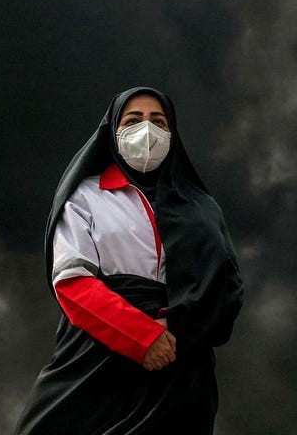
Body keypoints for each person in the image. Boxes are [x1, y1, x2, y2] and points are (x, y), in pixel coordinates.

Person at [15, 87, 243, 434]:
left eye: (158, 122)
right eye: (133, 120)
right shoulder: (86, 198)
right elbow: (73, 284)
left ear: (172, 133)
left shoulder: (202, 209)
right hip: (95, 363)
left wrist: (176, 328)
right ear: (113, 131)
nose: (147, 131)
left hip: (180, 370)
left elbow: (227, 291)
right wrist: (142, 337)